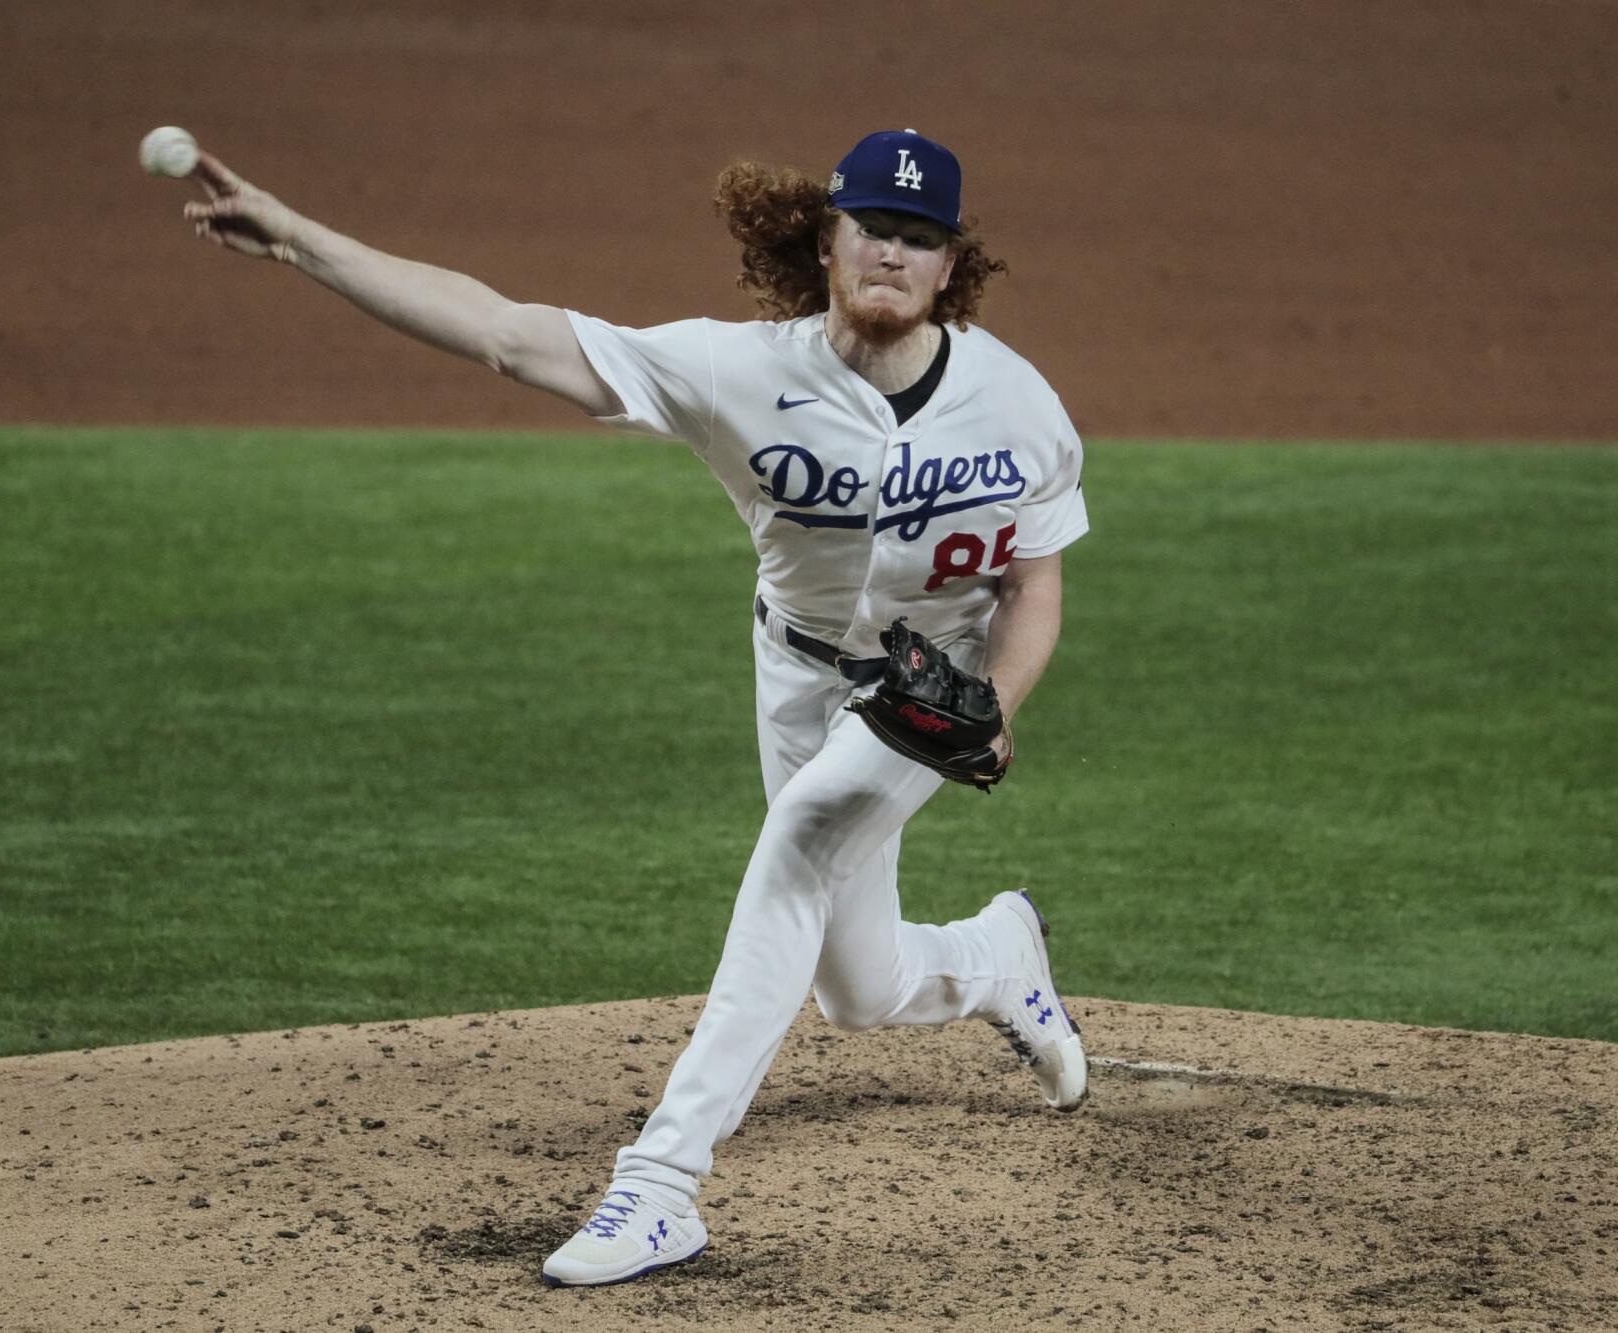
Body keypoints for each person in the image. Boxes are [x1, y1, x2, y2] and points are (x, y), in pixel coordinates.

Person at [177, 127, 1090, 1288]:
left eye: (920, 239)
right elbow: (507, 334)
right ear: (826, 239)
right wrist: (302, 241)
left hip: (925, 693)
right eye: (874, 228)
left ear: (949, 264)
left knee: (801, 843)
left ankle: (660, 1186)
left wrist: (994, 700)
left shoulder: (1016, 406)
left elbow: (1034, 585)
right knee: (852, 987)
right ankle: (996, 954)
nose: (894, 254)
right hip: (796, 673)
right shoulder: (735, 370)